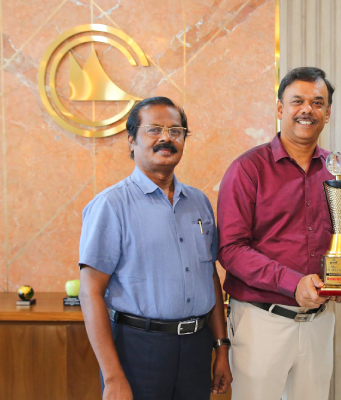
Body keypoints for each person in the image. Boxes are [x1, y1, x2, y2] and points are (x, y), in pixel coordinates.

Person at [217, 67, 341, 400]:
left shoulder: (336, 169)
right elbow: (231, 249)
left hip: (319, 320)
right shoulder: (248, 169)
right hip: (262, 321)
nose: (307, 110)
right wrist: (293, 283)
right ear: (280, 108)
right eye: (297, 101)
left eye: (317, 103)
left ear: (328, 113)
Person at [79, 97, 232, 400]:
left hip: (197, 347)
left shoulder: (199, 202)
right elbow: (90, 292)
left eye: (176, 131)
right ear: (131, 140)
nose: (166, 138)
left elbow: (209, 276)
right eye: (154, 129)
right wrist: (112, 376)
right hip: (138, 349)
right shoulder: (111, 205)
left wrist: (221, 347)